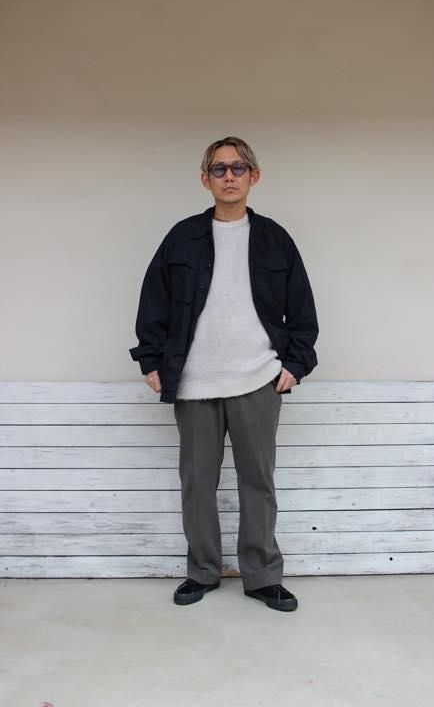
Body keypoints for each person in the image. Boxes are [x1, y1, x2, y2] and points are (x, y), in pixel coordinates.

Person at [129, 136, 318, 612]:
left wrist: (295, 366)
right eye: (219, 169)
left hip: (257, 379)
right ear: (205, 179)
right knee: (197, 484)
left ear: (254, 176)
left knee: (258, 482)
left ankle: (262, 577)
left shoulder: (275, 239)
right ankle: (202, 571)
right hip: (195, 382)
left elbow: (302, 310)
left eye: (238, 168)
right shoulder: (182, 237)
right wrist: (151, 360)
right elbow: (153, 300)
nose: (229, 176)